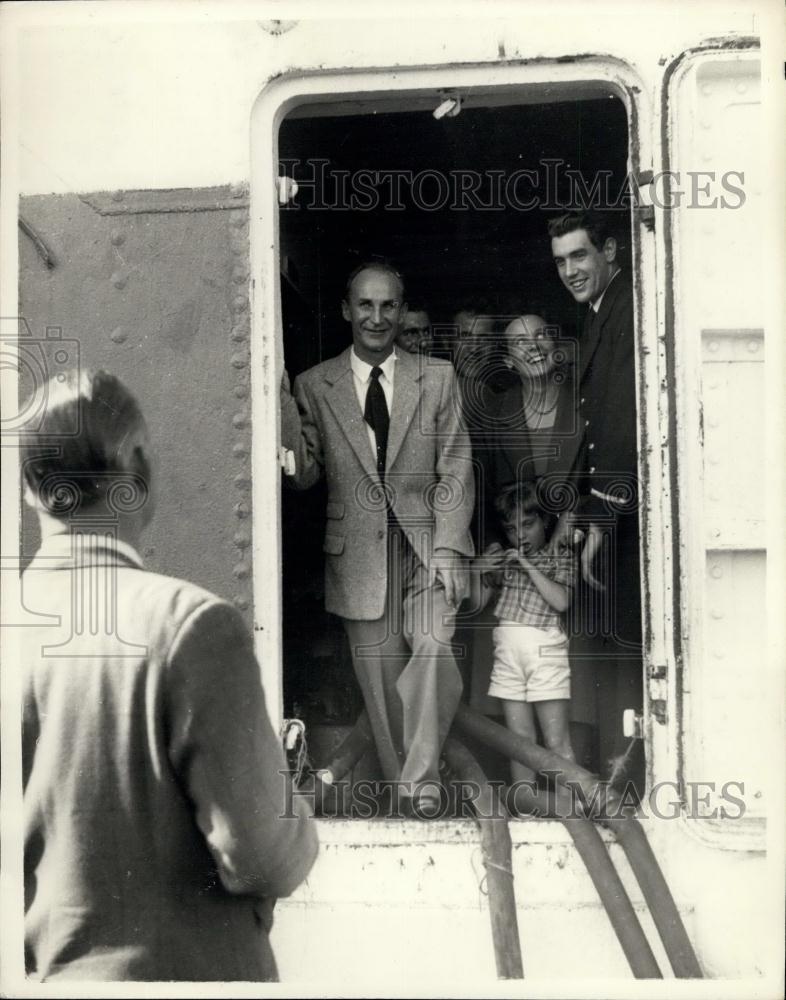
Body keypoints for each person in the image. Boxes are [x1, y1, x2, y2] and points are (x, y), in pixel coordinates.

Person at [20, 370, 317, 982]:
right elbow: (265, 859)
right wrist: (293, 809)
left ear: (29, 490)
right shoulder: (192, 626)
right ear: (138, 467)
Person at [280, 262, 474, 815]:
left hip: (425, 549)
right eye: (365, 305)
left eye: (388, 305)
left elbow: (456, 467)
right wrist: (274, 405)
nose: (377, 317)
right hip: (359, 558)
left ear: (401, 308)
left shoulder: (436, 377)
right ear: (346, 309)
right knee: (384, 692)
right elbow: (308, 472)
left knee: (435, 646)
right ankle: (408, 800)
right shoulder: (314, 384)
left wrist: (451, 547)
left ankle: (422, 786)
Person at [547, 209, 643, 787]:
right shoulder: (603, 312)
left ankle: (625, 782)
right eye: (560, 261)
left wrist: (602, 515)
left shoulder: (627, 307)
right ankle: (617, 777)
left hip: (625, 517)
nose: (570, 271)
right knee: (610, 647)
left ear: (610, 249)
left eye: (579, 256)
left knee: (624, 649)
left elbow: (618, 422)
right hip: (611, 511)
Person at [471, 483, 576, 785]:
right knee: (520, 741)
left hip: (544, 652)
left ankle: (569, 812)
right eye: (511, 529)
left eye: (528, 525)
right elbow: (477, 601)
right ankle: (527, 807)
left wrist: (527, 565)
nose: (520, 535)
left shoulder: (559, 554)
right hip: (508, 654)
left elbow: (561, 601)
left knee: (556, 741)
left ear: (545, 521)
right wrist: (480, 567)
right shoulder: (507, 559)